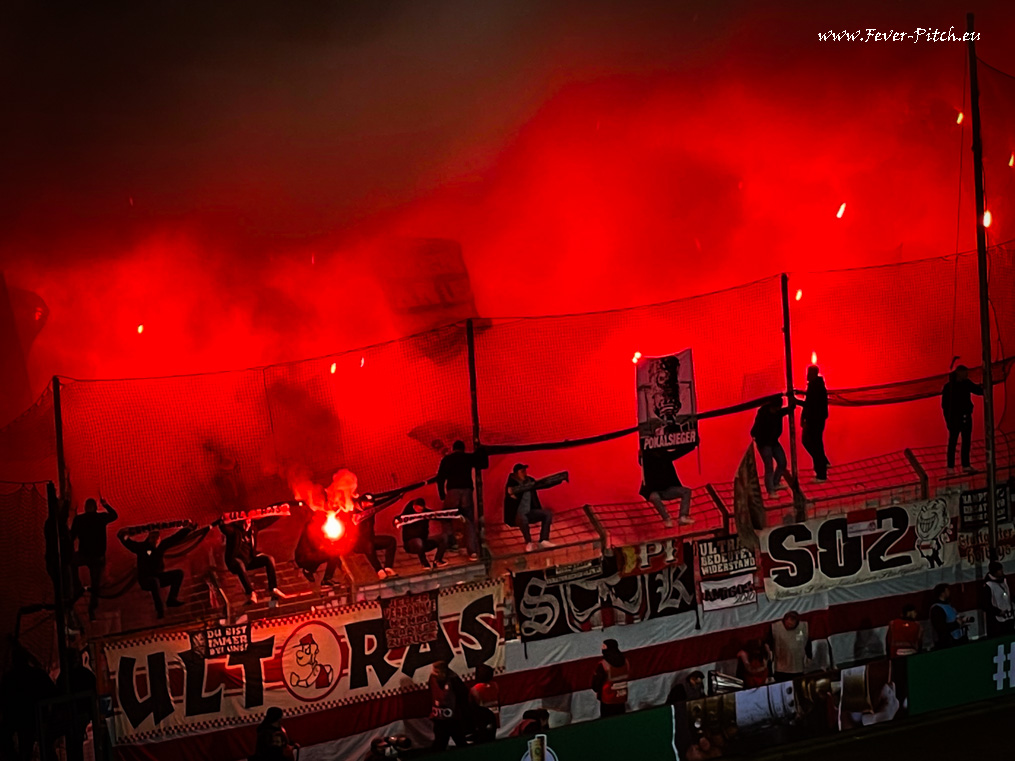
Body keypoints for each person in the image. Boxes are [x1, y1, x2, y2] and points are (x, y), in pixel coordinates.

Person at [118, 522, 194, 619]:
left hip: (158, 576)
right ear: (149, 538)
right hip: (145, 579)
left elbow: (175, 538)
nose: (155, 541)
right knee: (154, 582)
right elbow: (127, 542)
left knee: (178, 573)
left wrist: (188, 529)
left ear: (159, 539)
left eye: (157, 538)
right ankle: (160, 610)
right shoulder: (141, 548)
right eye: (153, 538)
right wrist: (124, 535)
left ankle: (172, 599)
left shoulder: (161, 546)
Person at [0, 642, 57, 761]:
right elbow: (53, 692)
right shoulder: (36, 675)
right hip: (35, 717)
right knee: (42, 747)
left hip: (23, 718)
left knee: (27, 747)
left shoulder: (10, 678)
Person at [216, 515, 283, 605]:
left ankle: (273, 588)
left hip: (250, 560)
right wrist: (222, 521)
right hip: (236, 562)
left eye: (248, 522)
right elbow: (224, 528)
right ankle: (251, 592)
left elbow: (267, 521)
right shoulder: (234, 531)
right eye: (244, 522)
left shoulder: (253, 528)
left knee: (269, 559)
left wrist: (281, 513)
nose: (246, 525)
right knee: (240, 564)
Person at [71, 495, 118, 620]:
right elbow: (114, 515)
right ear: (96, 507)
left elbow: (72, 536)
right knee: (95, 584)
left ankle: (77, 586)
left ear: (85, 507)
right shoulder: (100, 517)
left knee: (71, 563)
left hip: (84, 554)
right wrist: (106, 505)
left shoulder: (80, 519)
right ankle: (92, 609)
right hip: (97, 556)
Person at [435, 440, 480, 561]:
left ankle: (452, 543)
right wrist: (480, 449)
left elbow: (440, 478)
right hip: (466, 490)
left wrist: (442, 494)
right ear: (463, 449)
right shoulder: (468, 458)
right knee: (469, 521)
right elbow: (482, 463)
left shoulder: (447, 459)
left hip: (452, 491)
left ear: (453, 449)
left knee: (447, 517)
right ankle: (472, 552)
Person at [941, 365, 983, 474]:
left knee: (966, 441)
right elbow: (945, 405)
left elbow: (978, 391)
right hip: (955, 418)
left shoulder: (966, 383)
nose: (967, 375)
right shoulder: (949, 387)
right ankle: (951, 466)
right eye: (965, 373)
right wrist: (948, 420)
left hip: (966, 416)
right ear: (959, 373)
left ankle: (965, 465)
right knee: (953, 442)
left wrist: (985, 384)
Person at [504, 464, 555, 552]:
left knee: (547, 514)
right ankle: (528, 542)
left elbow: (542, 484)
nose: (524, 473)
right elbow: (510, 496)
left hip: (530, 512)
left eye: (525, 471)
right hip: (517, 514)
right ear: (516, 474)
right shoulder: (512, 484)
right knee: (522, 518)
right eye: (522, 471)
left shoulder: (530, 481)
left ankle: (544, 540)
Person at [639, 447, 694, 527]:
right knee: (654, 497)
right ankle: (667, 519)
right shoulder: (648, 458)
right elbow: (642, 461)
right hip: (653, 490)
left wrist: (691, 446)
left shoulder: (665, 456)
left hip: (667, 488)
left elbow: (677, 452)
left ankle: (683, 517)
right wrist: (641, 454)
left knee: (686, 491)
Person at [752, 396, 791, 497]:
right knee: (769, 466)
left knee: (782, 462)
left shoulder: (777, 413)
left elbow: (785, 410)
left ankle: (775, 482)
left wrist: (792, 405)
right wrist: (757, 438)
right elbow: (755, 429)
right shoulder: (763, 414)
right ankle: (771, 490)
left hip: (773, 442)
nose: (777, 410)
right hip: (764, 443)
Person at [293, 504, 341, 586]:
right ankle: (325, 578)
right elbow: (316, 544)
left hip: (308, 555)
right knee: (333, 554)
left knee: (333, 554)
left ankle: (311, 571)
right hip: (305, 557)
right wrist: (329, 545)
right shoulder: (312, 527)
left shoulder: (315, 525)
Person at [400, 498, 451, 570]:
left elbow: (437, 515)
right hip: (411, 544)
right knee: (418, 541)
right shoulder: (407, 515)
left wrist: (452, 515)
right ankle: (424, 563)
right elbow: (398, 519)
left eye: (421, 509)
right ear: (414, 506)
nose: (419, 511)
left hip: (424, 541)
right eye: (417, 509)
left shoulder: (425, 513)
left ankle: (437, 560)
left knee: (443, 537)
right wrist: (397, 522)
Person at [428, 661, 468, 751]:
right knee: (440, 745)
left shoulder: (453, 679)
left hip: (453, 718)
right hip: (440, 718)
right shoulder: (432, 678)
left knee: (460, 742)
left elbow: (463, 695)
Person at [353, 502, 398, 581]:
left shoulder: (371, 511)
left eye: (371, 503)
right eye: (367, 502)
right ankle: (379, 570)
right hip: (357, 543)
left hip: (370, 539)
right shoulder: (352, 512)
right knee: (368, 544)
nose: (369, 504)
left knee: (391, 541)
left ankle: (388, 568)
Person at [800, 366, 829, 482]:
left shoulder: (815, 387)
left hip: (814, 420)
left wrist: (804, 416)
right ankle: (823, 463)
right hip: (816, 419)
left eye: (809, 373)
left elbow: (810, 404)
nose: (807, 375)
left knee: (813, 443)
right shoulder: (817, 385)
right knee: (815, 443)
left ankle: (821, 473)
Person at [591, 639, 630, 718]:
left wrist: (596, 688)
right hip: (621, 696)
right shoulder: (625, 661)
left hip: (608, 698)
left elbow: (596, 683)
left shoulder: (603, 664)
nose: (602, 648)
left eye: (604, 646)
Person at [771, 611, 810, 681]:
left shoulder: (801, 628)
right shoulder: (776, 628)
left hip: (798, 666)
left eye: (792, 623)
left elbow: (802, 642)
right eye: (788, 623)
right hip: (782, 667)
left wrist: (809, 657)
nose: (789, 625)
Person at [930, 583, 971, 648]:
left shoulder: (949, 605)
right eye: (947, 590)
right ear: (942, 593)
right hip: (946, 643)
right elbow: (941, 628)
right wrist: (956, 623)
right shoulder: (936, 608)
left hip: (957, 639)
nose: (949, 592)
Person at [980, 561, 1015, 638]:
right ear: (995, 572)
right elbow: (985, 605)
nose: (1002, 571)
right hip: (997, 622)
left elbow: (1010, 595)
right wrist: (998, 612)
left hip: (1009, 618)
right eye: (1000, 570)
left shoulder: (1005, 580)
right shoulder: (988, 585)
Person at [468, 664, 500, 743]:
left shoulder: (475, 689)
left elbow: (471, 704)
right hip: (495, 716)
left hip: (481, 719)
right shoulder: (495, 685)